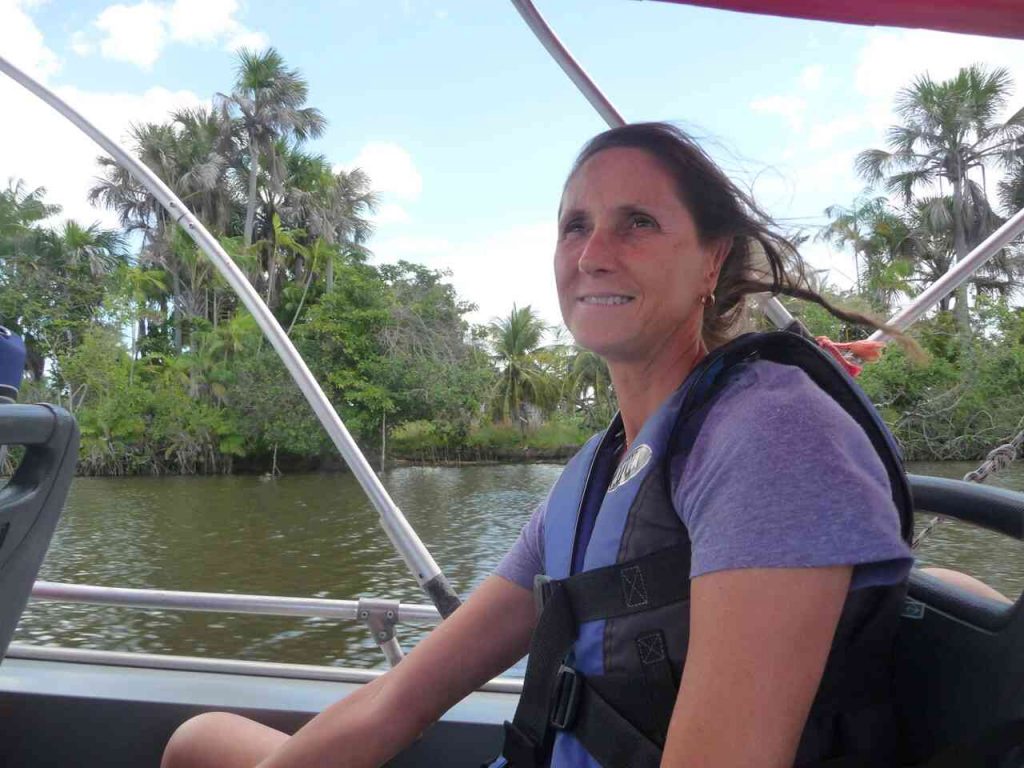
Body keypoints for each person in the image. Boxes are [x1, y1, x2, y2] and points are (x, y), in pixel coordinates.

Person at [161, 122, 914, 768]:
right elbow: (398, 700)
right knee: (201, 741)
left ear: (712, 260)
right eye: (575, 225)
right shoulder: (598, 473)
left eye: (638, 222)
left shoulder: (770, 434)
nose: (593, 253)